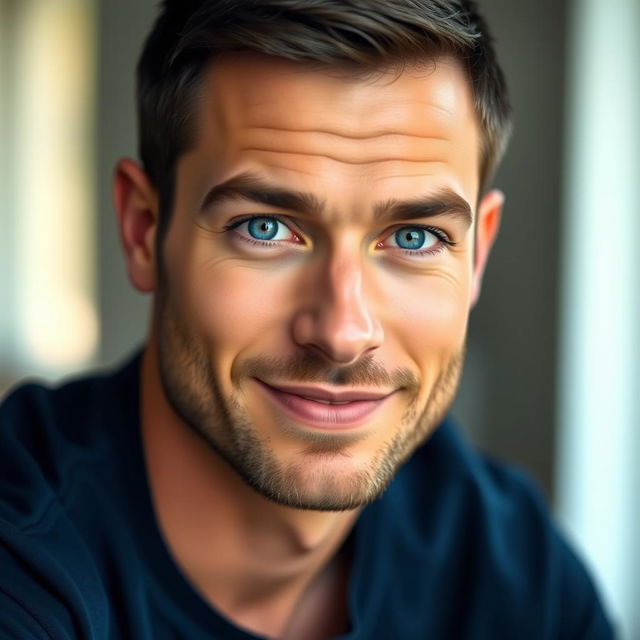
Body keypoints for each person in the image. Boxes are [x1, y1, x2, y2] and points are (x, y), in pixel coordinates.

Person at [0, 1, 615, 638]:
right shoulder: (23, 558)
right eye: (265, 229)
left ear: (478, 253)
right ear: (143, 231)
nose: (343, 333)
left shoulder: (512, 568)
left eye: (414, 239)